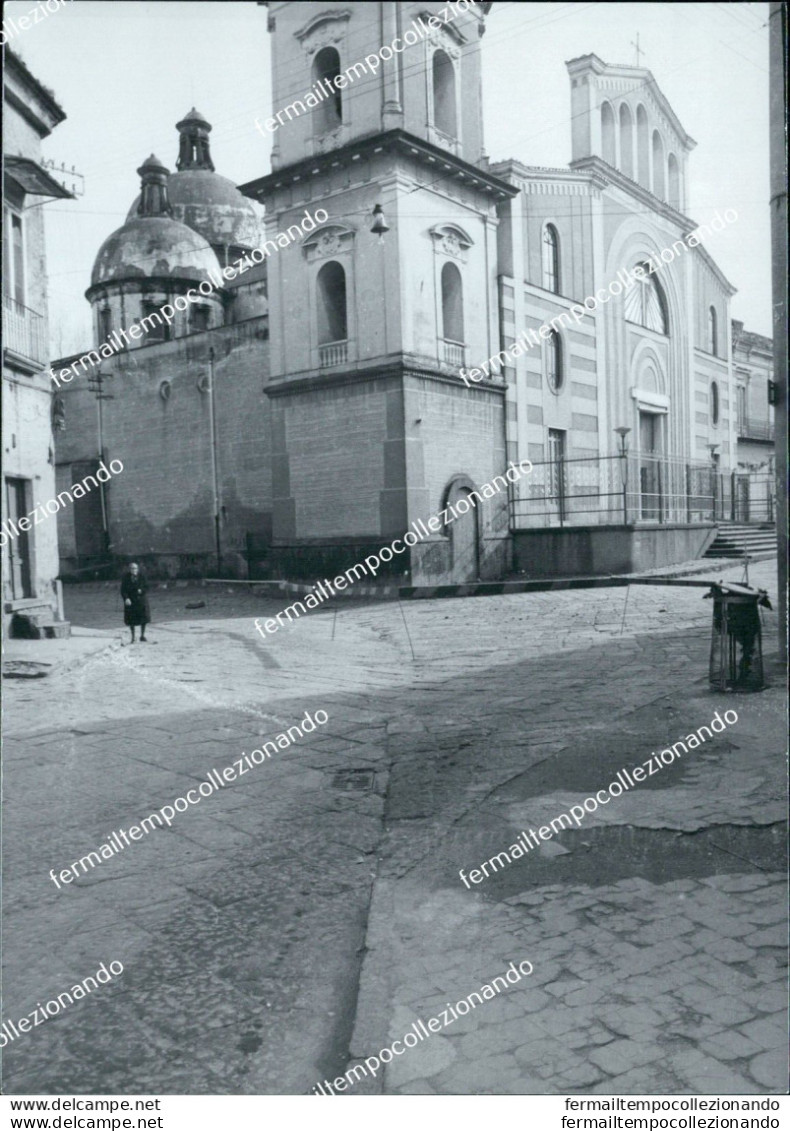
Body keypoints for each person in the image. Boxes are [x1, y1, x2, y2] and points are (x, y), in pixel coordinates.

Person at [121, 562, 151, 643]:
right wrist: (126, 598)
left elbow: (147, 587)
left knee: (143, 618)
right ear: (129, 569)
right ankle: (133, 637)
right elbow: (123, 590)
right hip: (131, 600)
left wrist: (142, 590)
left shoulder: (142, 577)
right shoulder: (126, 578)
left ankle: (142, 635)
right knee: (131, 620)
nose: (134, 570)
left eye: (135, 568)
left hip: (141, 600)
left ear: (138, 569)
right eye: (132, 568)